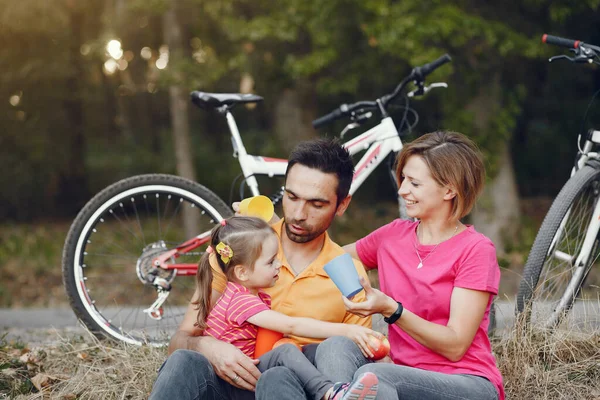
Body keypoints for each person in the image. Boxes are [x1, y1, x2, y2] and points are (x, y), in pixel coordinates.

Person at [260, 131, 505, 400]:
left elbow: (455, 345)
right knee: (336, 346)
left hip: (465, 383)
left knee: (379, 377)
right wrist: (261, 238)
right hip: (399, 378)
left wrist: (392, 309)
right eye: (402, 180)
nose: (402, 191)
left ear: (449, 190)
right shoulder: (392, 237)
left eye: (414, 183)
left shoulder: (475, 249)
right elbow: (321, 255)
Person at [149, 138, 374, 400]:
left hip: (290, 389)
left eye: (316, 204)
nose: (298, 214)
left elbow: (355, 356)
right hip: (223, 386)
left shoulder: (350, 275)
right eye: (291, 197)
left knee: (278, 377)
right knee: (184, 361)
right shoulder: (241, 250)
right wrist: (206, 346)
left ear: (342, 205)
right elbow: (180, 340)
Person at [190, 216, 380, 400]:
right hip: (234, 382)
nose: (279, 265)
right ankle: (330, 393)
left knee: (313, 350)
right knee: (286, 351)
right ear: (242, 272)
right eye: (271, 261)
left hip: (248, 368)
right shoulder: (240, 300)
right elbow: (291, 325)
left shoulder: (253, 294)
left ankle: (342, 387)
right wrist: (347, 330)